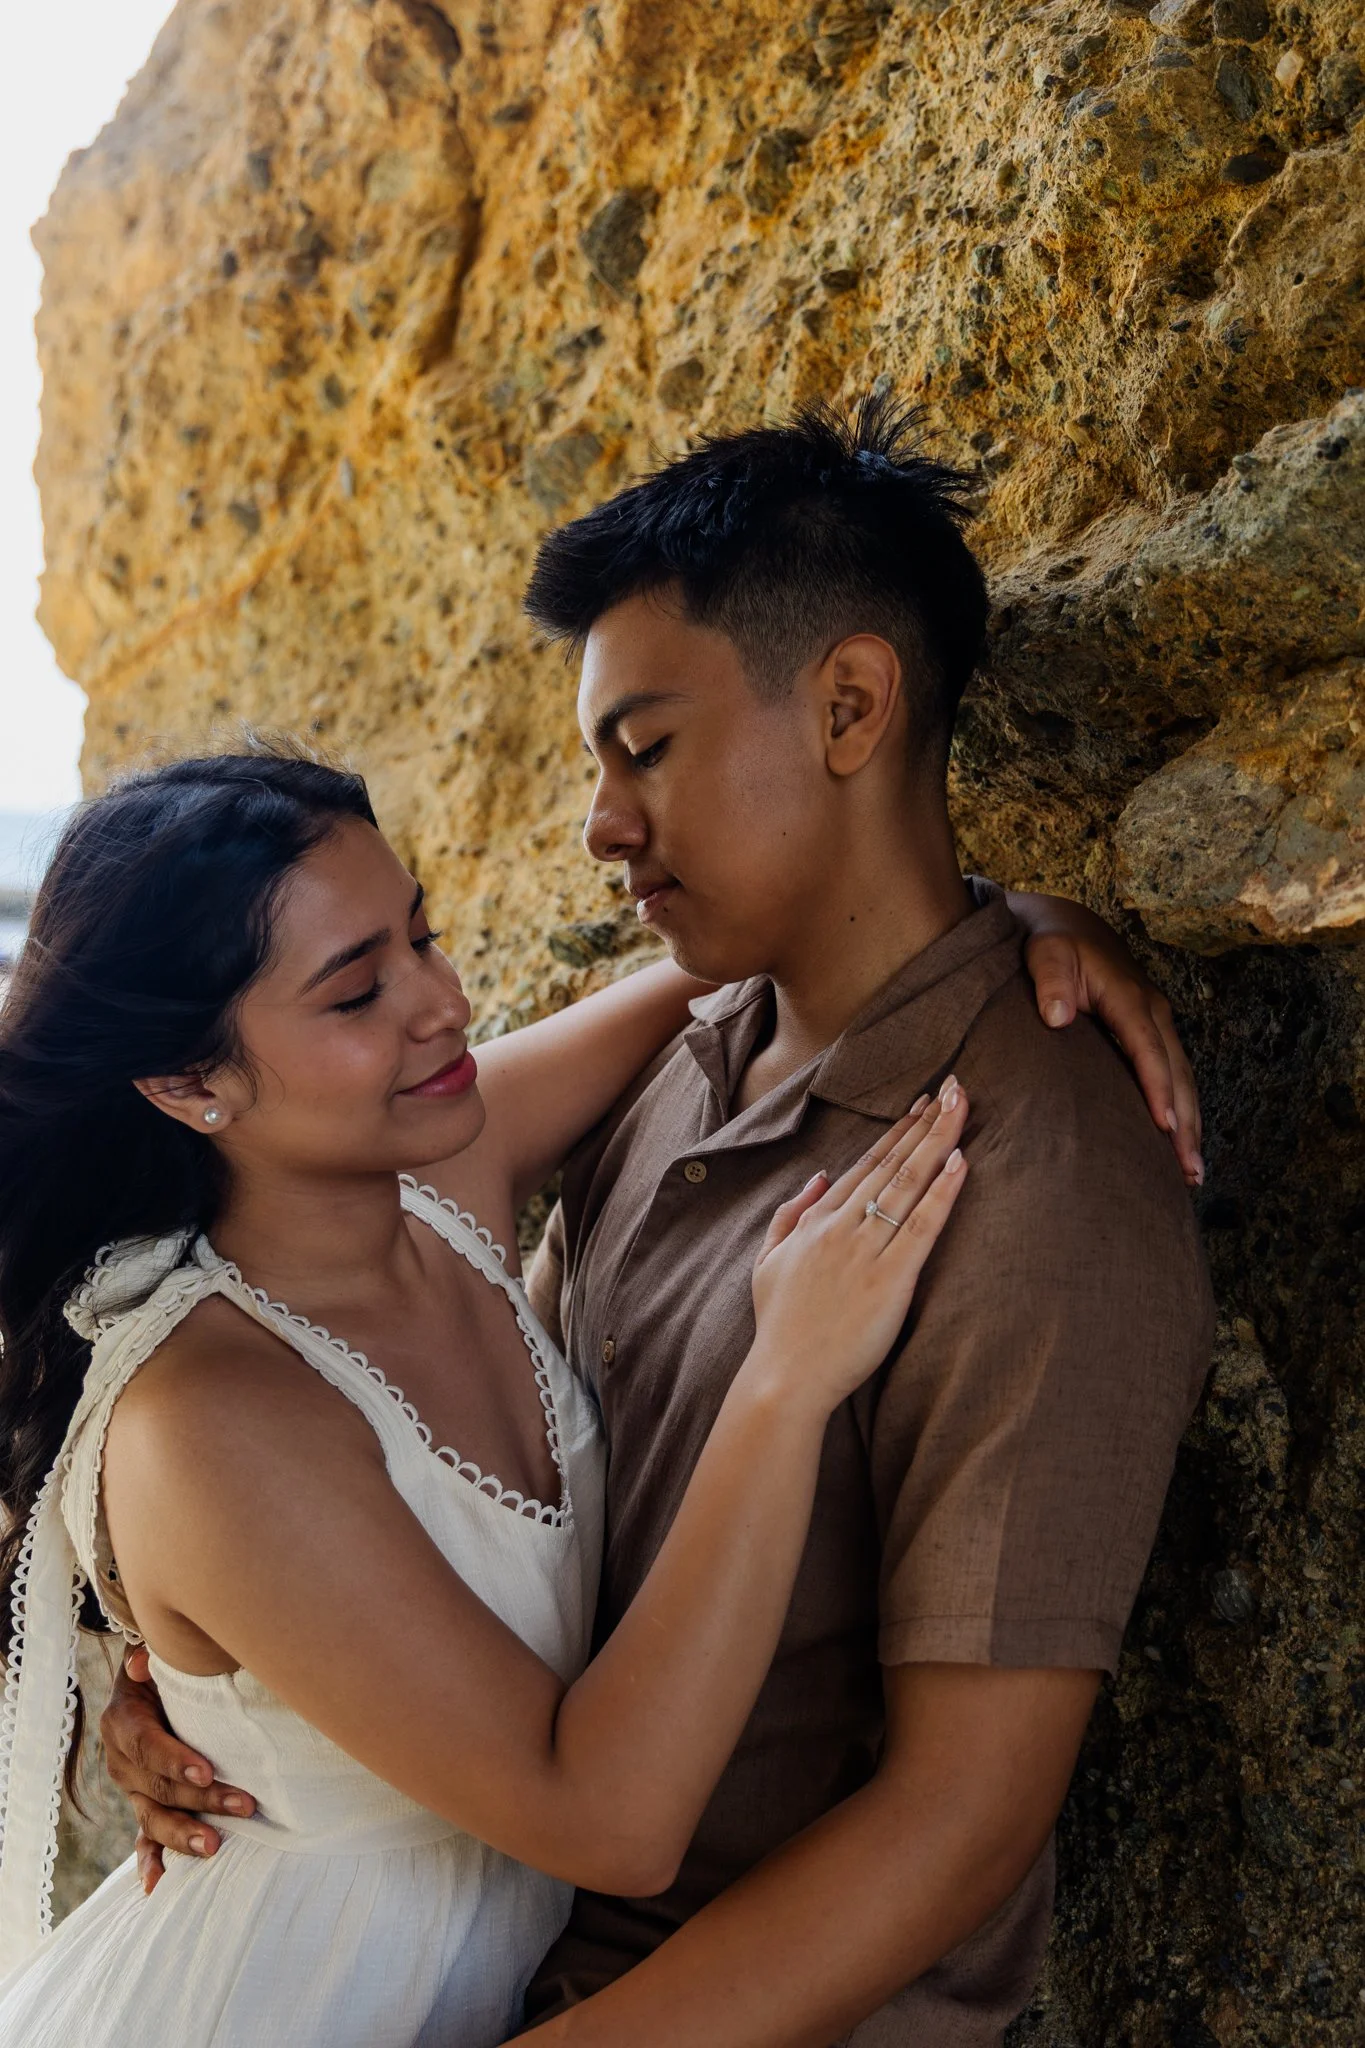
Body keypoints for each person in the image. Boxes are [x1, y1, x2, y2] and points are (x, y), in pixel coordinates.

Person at [102, 399, 1212, 2048]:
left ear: (850, 707)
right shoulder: (679, 1069)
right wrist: (219, 1680)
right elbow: (482, 1499)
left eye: (648, 748)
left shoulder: (1028, 1164)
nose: (602, 825)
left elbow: (963, 1823)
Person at [0, 745, 977, 2047]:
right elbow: (610, 1822)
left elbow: (744, 963)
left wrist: (1034, 932)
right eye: (357, 993)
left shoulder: (443, 1184)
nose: (443, 1002)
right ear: (189, 1085)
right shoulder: (212, 1423)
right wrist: (783, 1384)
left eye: (424, 935)